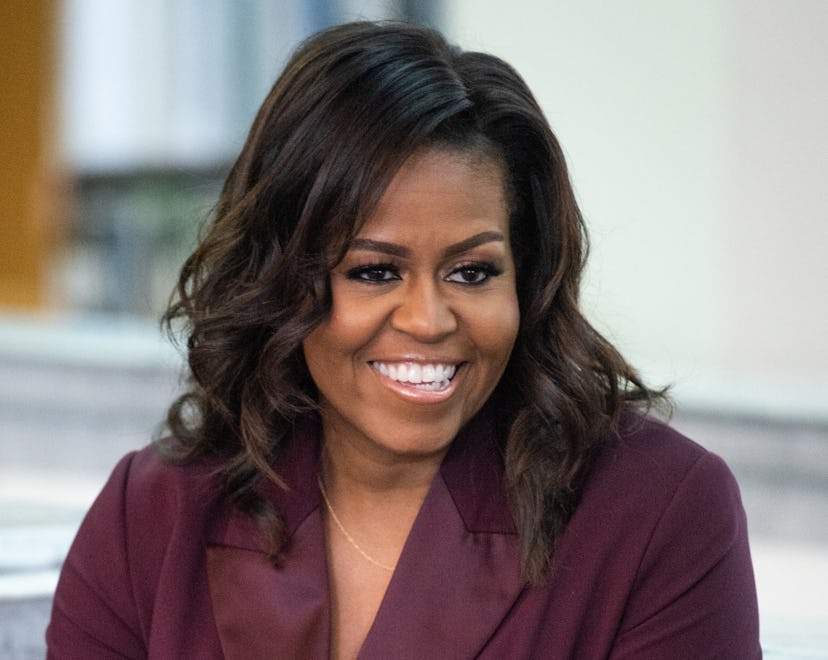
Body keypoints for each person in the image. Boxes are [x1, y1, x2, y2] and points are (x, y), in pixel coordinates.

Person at [46, 21, 760, 659]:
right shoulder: (153, 515)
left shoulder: (658, 510)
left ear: (528, 279)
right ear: (281, 278)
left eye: (473, 272)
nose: (428, 319)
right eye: (376, 270)